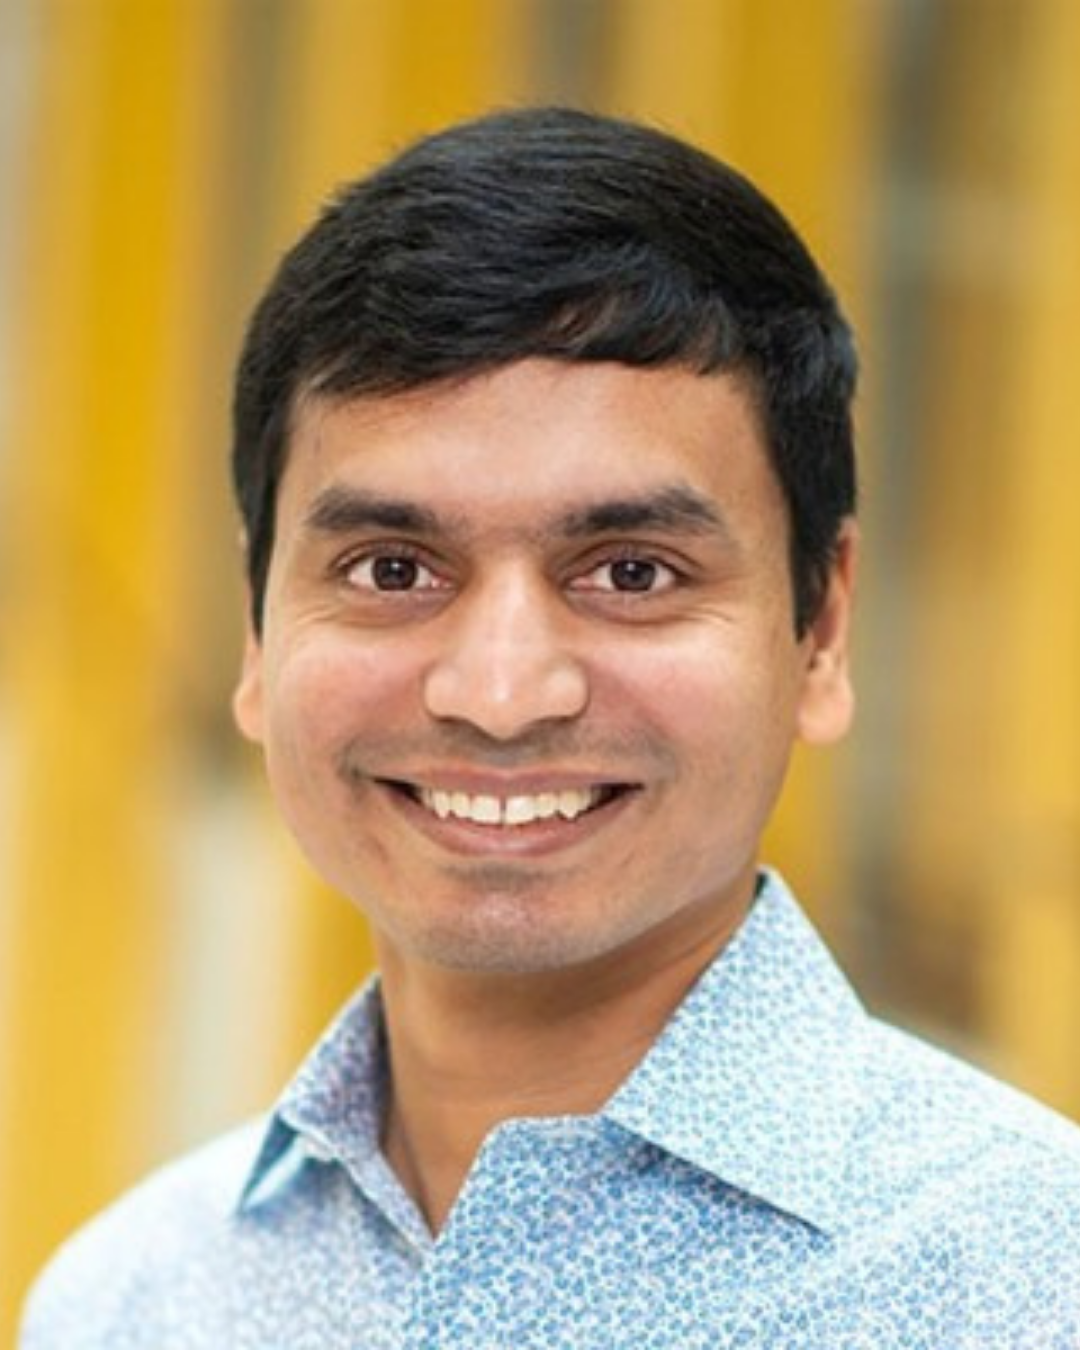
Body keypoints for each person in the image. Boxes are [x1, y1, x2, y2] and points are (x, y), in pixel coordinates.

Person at [20, 107, 1080, 1348]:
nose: (501, 693)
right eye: (392, 569)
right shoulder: (131, 1299)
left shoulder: (1029, 1282)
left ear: (822, 629)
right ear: (258, 631)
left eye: (630, 572)